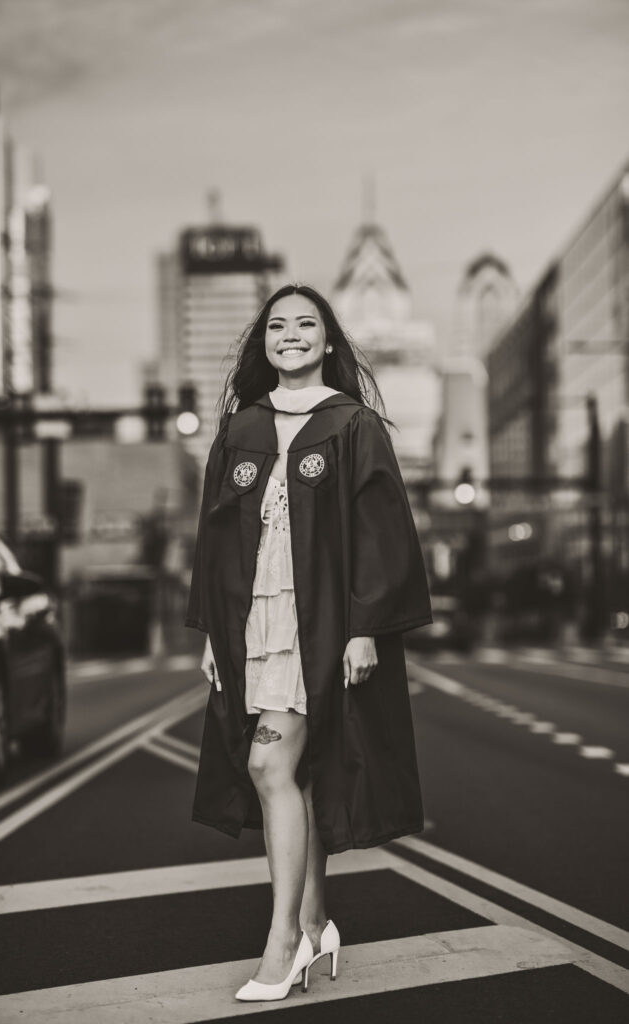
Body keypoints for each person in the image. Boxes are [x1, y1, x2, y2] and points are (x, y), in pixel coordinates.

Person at [185, 284, 432, 1002]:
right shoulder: (242, 428)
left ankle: (283, 941)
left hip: (319, 621)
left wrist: (363, 629)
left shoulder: (352, 425)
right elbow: (213, 534)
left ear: (327, 342)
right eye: (277, 325)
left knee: (270, 766)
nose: (289, 334)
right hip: (252, 623)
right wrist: (210, 629)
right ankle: (318, 919)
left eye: (305, 325)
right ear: (263, 342)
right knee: (297, 773)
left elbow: (382, 534)